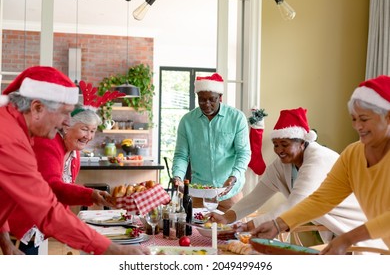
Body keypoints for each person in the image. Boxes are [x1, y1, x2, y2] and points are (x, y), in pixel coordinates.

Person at [0, 66, 149, 255]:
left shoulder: (14, 128)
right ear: (37, 108)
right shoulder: (10, 139)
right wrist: (112, 249)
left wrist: (5, 240)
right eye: (64, 113)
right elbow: (48, 212)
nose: (66, 122)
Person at [251, 76, 390, 254]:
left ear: (387, 117)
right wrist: (278, 225)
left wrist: (348, 238)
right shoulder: (353, 154)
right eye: (353, 119)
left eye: (363, 119)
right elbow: (322, 199)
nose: (358, 126)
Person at [209, 107, 385, 248]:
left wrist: (249, 226)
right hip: (330, 228)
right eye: (276, 145)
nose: (279, 150)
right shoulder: (281, 165)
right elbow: (257, 196)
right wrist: (228, 217)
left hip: (356, 226)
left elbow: (296, 203)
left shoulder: (318, 159)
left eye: (284, 145)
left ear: (302, 143)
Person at [3, 85, 118, 254]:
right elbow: (52, 187)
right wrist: (90, 195)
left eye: (93, 131)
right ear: (66, 127)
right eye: (84, 129)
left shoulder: (73, 152)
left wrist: (76, 232)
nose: (89, 136)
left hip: (38, 226)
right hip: (21, 225)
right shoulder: (46, 143)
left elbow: (59, 201)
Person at [172, 73, 251, 211]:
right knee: (196, 231)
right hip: (198, 194)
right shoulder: (187, 121)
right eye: (201, 100)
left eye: (212, 99)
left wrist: (234, 177)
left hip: (229, 194)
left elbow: (243, 153)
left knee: (231, 231)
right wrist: (177, 175)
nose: (206, 104)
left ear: (220, 97)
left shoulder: (237, 118)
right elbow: (181, 155)